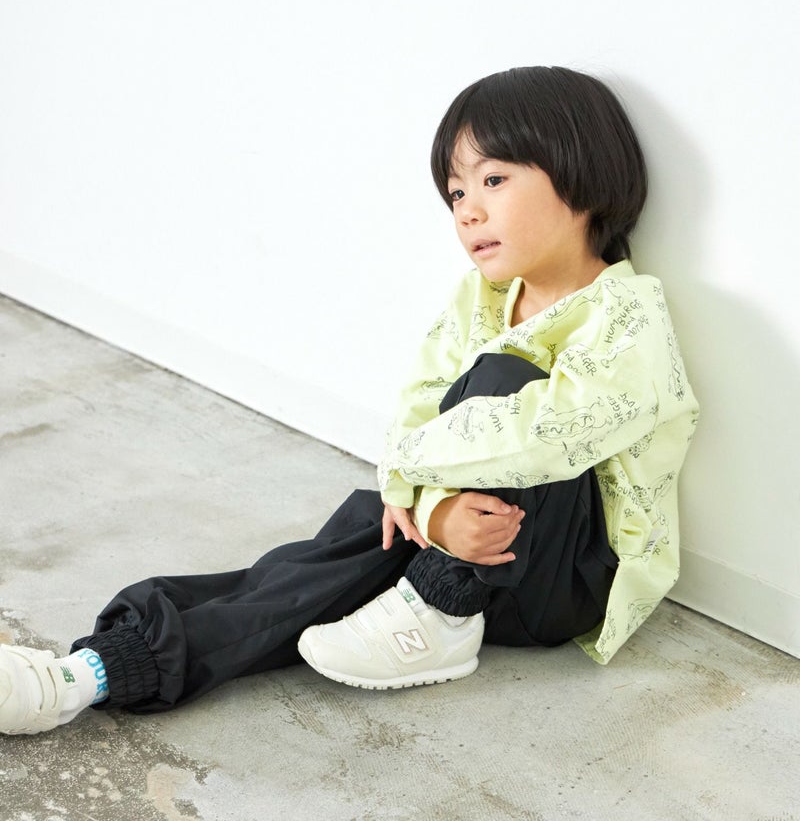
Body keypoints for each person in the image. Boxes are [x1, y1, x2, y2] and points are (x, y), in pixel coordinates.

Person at [0, 65, 698, 735]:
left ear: (583, 174)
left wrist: (412, 477)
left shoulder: (627, 313)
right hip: (471, 547)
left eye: (493, 180)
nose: (468, 211)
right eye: (455, 193)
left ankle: (442, 604)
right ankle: (87, 674)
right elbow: (423, 396)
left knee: (505, 379)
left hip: (564, 582)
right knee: (323, 566)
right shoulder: (482, 296)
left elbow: (551, 435)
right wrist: (432, 509)